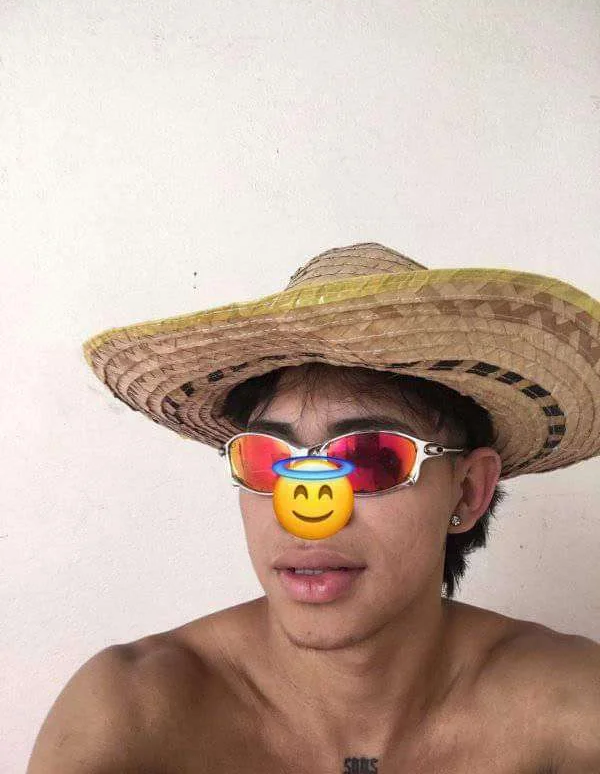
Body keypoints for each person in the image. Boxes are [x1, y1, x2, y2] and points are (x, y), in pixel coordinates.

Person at [28, 242, 600, 773]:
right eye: (268, 458)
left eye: (371, 457)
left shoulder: (573, 711)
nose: (305, 510)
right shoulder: (129, 717)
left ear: (469, 491)